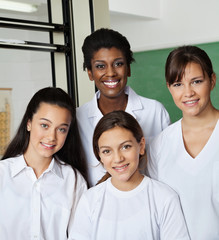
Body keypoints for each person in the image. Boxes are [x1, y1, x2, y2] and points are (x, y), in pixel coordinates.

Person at [69, 110, 190, 240]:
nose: (118, 158)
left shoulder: (164, 198)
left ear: (141, 146)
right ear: (100, 156)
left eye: (125, 147)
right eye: (107, 151)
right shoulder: (90, 200)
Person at [77, 28, 171, 186]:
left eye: (118, 64)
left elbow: (168, 166)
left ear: (128, 68)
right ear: (90, 73)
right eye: (100, 66)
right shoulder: (78, 118)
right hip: (99, 205)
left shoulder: (154, 111)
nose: (111, 73)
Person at [147, 45, 219, 240]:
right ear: (169, 87)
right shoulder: (160, 145)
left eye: (196, 81)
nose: (188, 93)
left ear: (212, 81)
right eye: (178, 84)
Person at [0, 87, 88, 240]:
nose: (51, 137)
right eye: (45, 125)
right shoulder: (2, 174)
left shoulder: (73, 180)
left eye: (61, 129)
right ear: (29, 123)